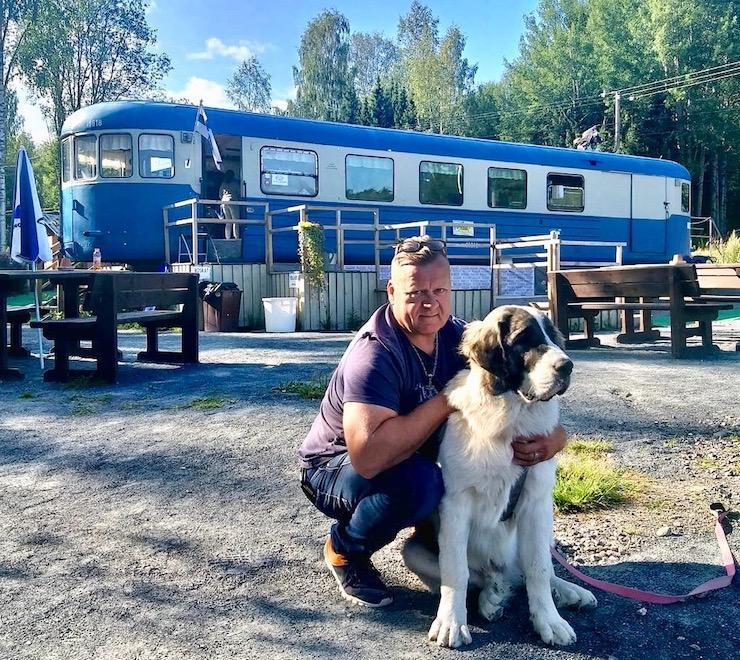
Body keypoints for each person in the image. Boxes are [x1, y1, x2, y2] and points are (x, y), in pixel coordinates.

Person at [297, 235, 567, 608]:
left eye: (439, 290)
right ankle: (346, 549)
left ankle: (465, 553)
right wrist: (445, 401)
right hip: (336, 468)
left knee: (441, 480)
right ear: (392, 292)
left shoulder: (456, 335)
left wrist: (554, 438)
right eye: (416, 293)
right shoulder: (374, 354)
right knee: (422, 484)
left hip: (408, 455)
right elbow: (368, 457)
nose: (430, 303)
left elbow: (506, 396)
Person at [218, 170, 240, 239]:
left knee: (228, 222)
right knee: (235, 221)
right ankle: (236, 237)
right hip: (233, 202)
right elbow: (238, 194)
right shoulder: (235, 184)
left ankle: (227, 238)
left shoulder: (223, 184)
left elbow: (220, 195)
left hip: (224, 203)